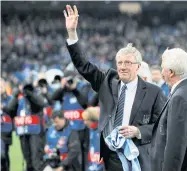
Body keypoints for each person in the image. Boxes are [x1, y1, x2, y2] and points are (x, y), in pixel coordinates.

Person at [63, 5, 166, 171]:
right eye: (120, 63)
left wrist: (138, 131)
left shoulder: (153, 92)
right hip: (111, 155)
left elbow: (163, 125)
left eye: (128, 63)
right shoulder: (107, 82)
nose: (123, 67)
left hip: (138, 155)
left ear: (138, 67)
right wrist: (72, 33)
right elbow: (83, 66)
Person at [51, 71, 89, 171]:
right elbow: (52, 97)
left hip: (81, 129)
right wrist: (62, 86)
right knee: (70, 156)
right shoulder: (63, 92)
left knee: (83, 156)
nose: (69, 82)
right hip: (68, 131)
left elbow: (85, 103)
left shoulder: (83, 87)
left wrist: (74, 89)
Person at [4, 83, 46, 171]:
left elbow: (41, 103)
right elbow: (9, 110)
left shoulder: (35, 96)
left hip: (35, 132)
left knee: (36, 159)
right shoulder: (19, 100)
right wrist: (15, 96)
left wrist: (30, 94)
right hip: (22, 132)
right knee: (27, 158)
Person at [1, 78, 13, 171]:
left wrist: (3, 107)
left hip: (5, 129)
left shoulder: (9, 99)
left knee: (4, 154)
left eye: (1, 86)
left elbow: (12, 111)